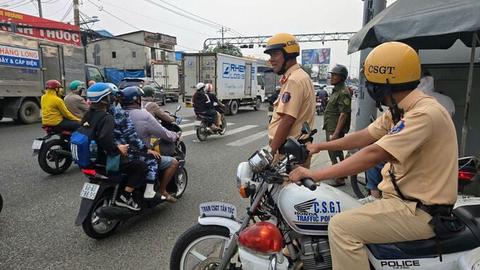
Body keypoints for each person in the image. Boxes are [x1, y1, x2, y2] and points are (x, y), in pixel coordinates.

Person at [288, 41, 458, 270]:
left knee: (341, 227)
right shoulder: (401, 109)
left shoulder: (425, 113)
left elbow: (374, 153)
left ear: (383, 84)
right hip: (400, 201)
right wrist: (320, 147)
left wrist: (315, 174)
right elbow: (365, 135)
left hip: (419, 212)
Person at [84, 83, 148, 211]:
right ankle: (125, 196)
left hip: (92, 159)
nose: (113, 98)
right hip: (107, 159)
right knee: (141, 166)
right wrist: (118, 149)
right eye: (111, 96)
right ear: (105, 99)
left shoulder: (88, 115)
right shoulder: (107, 117)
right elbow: (105, 139)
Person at [120, 86, 180, 202]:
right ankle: (162, 190)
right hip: (137, 154)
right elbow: (163, 133)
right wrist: (175, 135)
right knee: (173, 162)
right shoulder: (143, 114)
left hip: (118, 154)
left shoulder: (116, 113)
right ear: (137, 99)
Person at [264, 33, 316, 158]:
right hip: (295, 150)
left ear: (289, 55)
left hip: (287, 154)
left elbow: (287, 120)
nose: (271, 59)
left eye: (275, 54)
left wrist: (271, 152)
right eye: (270, 55)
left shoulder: (294, 80)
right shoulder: (301, 76)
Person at [323, 64, 352, 186]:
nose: (332, 77)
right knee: (336, 152)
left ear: (342, 77)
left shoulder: (343, 92)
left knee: (334, 152)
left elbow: (343, 114)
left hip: (335, 128)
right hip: (331, 126)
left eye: (335, 75)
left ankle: (339, 178)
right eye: (332, 75)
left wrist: (335, 133)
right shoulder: (336, 90)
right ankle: (341, 174)